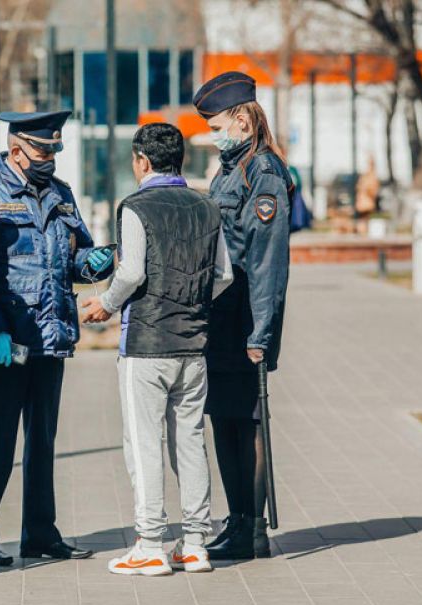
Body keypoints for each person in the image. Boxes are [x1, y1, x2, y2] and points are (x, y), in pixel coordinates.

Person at [82, 123, 233, 576]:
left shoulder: (136, 207)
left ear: (141, 161)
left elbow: (129, 274)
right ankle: (194, 543)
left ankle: (150, 542)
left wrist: (104, 306)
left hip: (146, 344)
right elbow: (223, 275)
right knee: (189, 441)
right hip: (194, 345)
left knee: (144, 442)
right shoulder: (207, 207)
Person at [0, 110, 115, 565]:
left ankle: (40, 534)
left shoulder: (61, 194)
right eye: (42, 150)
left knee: (42, 441)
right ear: (16, 150)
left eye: (54, 150)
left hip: (52, 335)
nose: (49, 157)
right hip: (10, 340)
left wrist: (101, 261)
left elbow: (76, 255)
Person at [192, 72, 293, 560]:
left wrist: (262, 332)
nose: (214, 134)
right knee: (225, 419)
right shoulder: (230, 169)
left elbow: (267, 260)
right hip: (221, 314)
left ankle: (253, 529)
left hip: (245, 316)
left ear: (242, 116)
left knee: (248, 423)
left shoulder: (264, 172)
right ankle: (237, 521)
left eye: (217, 124)